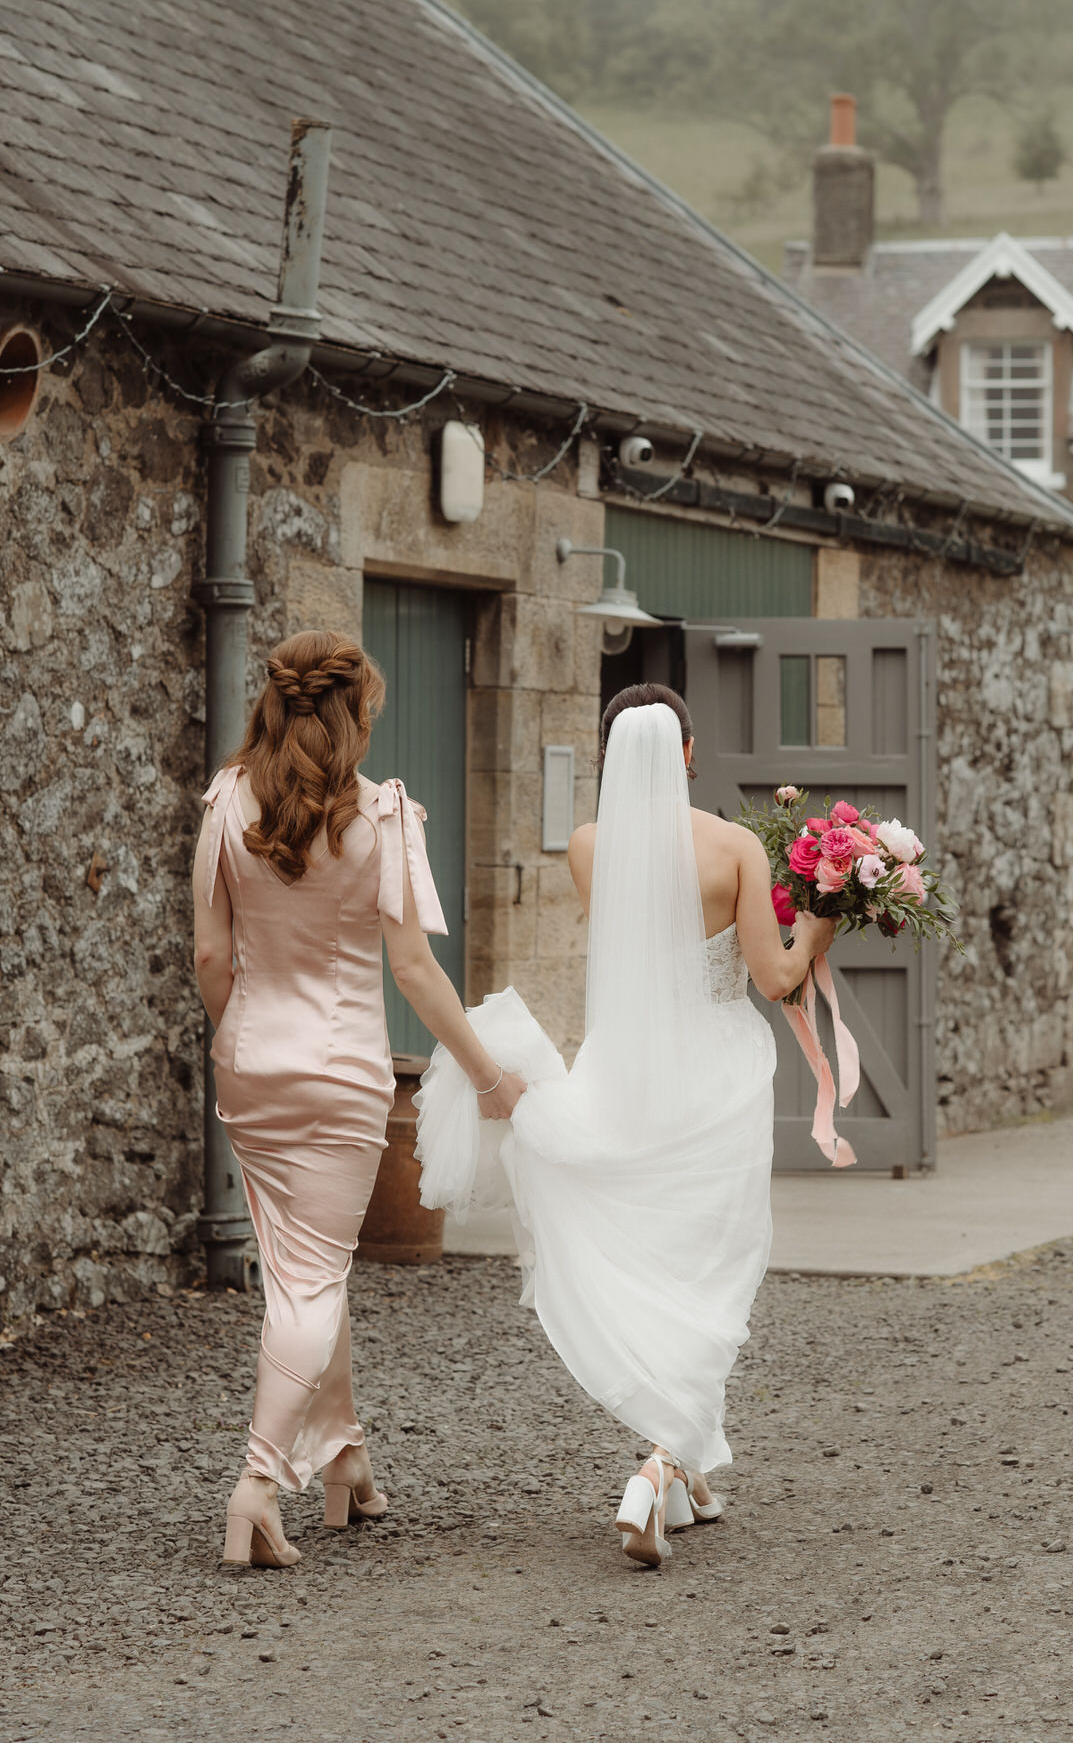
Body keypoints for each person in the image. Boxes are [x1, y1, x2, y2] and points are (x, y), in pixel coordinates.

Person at [421, 682, 836, 1569]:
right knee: (712, 1270)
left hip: (621, 1069)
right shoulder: (733, 849)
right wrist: (827, 917)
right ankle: (654, 1470)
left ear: (610, 759)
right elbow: (778, 980)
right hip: (714, 1077)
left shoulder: (586, 847)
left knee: (656, 1263)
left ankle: (687, 1471)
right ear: (686, 753)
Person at [192, 630, 524, 1568]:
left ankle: (343, 1459)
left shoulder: (224, 800)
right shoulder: (384, 816)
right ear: (356, 713)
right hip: (341, 1072)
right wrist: (489, 1076)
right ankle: (257, 1485)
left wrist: (239, 1032)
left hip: (250, 1063)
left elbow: (212, 956)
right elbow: (413, 970)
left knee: (304, 1265)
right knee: (312, 1278)